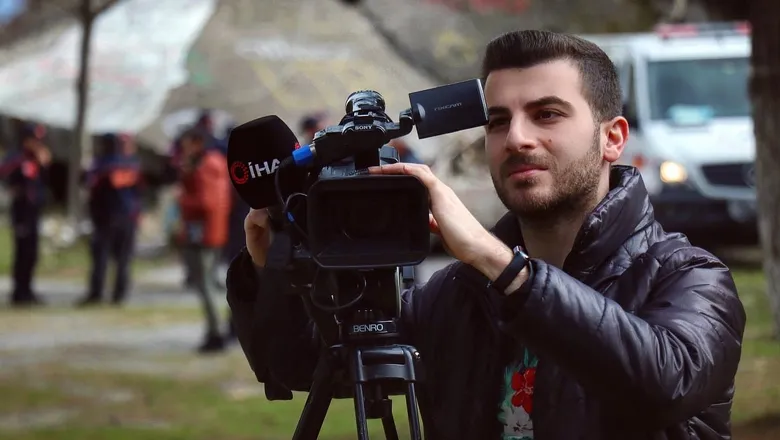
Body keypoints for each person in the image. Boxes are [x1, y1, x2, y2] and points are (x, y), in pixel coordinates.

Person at [225, 30, 746, 439]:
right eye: (498, 121)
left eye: (546, 114)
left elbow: (666, 383)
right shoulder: (454, 296)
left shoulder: (690, 278)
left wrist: (497, 264)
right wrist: (273, 273)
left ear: (612, 139)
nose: (517, 138)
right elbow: (304, 366)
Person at [177, 127, 232, 352]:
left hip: (202, 233)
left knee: (205, 284)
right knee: (207, 282)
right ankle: (217, 329)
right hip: (212, 231)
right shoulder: (215, 163)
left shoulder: (205, 166)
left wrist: (182, 200)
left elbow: (206, 203)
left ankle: (215, 331)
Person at [77, 133, 142, 306]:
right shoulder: (132, 164)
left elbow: (87, 182)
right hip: (128, 216)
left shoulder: (101, 165)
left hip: (106, 217)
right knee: (123, 258)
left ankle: (97, 293)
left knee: (102, 256)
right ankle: (119, 294)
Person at [0, 123, 50, 306]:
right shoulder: (16, 158)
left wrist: (43, 162)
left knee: (32, 253)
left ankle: (28, 289)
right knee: (22, 252)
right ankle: (18, 292)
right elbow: (5, 174)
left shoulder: (37, 158)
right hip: (21, 211)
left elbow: (44, 181)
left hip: (34, 210)